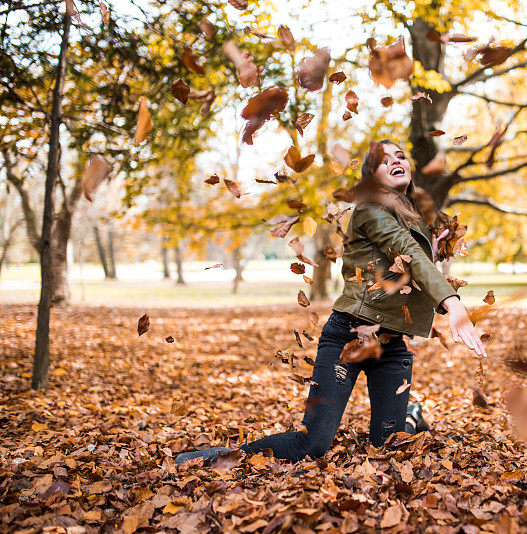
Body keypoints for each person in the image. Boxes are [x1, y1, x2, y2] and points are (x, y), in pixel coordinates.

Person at [175, 139, 486, 467]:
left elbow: (408, 273)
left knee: (387, 450)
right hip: (349, 337)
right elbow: (408, 254)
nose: (397, 161)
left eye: (401, 156)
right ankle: (217, 457)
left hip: (393, 345)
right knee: (312, 445)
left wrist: (434, 252)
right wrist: (453, 305)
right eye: (384, 160)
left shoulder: (410, 216)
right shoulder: (370, 209)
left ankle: (409, 414)